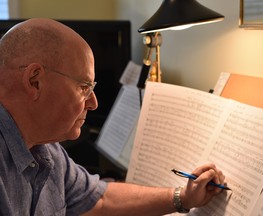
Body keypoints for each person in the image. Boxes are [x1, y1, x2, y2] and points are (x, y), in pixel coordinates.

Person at [0, 18, 226, 216]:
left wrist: (183, 198)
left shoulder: (45, 147)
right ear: (34, 81)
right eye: (84, 87)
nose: (93, 102)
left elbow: (98, 199)